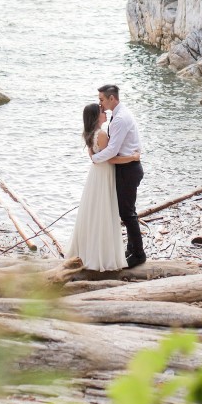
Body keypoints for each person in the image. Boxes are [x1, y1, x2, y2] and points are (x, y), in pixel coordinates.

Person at [66, 102, 140, 271]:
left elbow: (96, 156)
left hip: (96, 175)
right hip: (104, 173)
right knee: (104, 211)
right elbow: (111, 158)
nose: (105, 112)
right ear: (96, 116)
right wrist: (133, 157)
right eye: (101, 111)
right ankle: (102, 254)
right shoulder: (101, 135)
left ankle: (88, 249)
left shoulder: (89, 134)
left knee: (94, 210)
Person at [91, 84, 146, 267]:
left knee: (127, 213)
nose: (100, 103)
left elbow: (113, 149)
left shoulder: (120, 118)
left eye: (101, 99)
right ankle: (131, 249)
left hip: (129, 169)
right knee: (127, 210)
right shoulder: (119, 114)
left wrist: (95, 158)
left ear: (111, 98)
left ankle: (138, 254)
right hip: (127, 167)